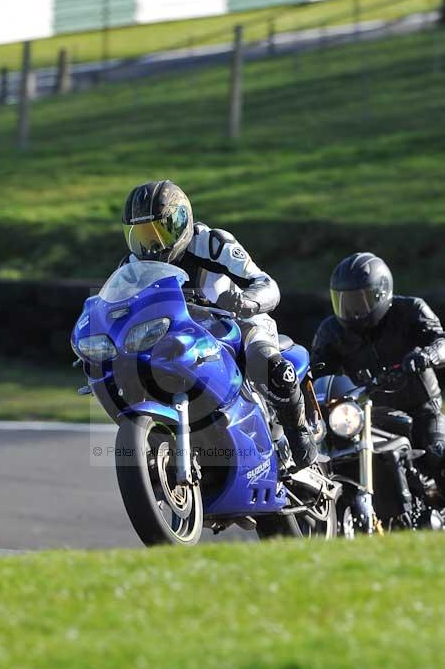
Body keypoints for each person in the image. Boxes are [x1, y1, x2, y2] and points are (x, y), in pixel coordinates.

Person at [121, 179, 317, 470]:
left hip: (238, 324)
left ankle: (300, 437)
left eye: (158, 233)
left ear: (181, 222)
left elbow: (266, 284)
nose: (152, 246)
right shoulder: (132, 268)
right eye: (142, 236)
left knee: (265, 361)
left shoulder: (211, 244)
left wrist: (247, 301)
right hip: (182, 337)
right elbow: (118, 309)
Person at [311, 251, 445, 490]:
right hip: (370, 414)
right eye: (342, 301)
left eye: (358, 301)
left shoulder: (411, 310)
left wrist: (426, 356)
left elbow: (442, 342)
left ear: (381, 293)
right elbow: (318, 374)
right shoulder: (331, 331)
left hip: (422, 409)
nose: (350, 311)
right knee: (339, 458)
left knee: (438, 454)